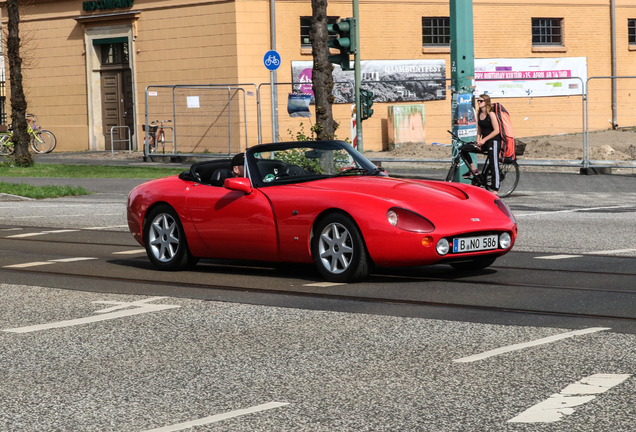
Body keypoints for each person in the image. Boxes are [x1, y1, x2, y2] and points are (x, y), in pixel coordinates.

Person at [460, 94, 501, 195]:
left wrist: (484, 140)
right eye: (478, 101)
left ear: (486, 102)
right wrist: (478, 141)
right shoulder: (479, 113)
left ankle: (495, 189)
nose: (479, 103)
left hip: (494, 141)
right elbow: (479, 129)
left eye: (481, 101)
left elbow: (497, 130)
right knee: (463, 149)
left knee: (493, 164)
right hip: (483, 142)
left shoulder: (491, 114)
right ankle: (473, 169)